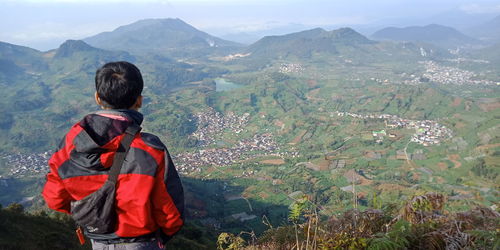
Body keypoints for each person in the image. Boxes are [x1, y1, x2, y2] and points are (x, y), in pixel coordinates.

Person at [42, 61, 184, 250]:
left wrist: (93, 215)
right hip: (143, 242)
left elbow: (55, 198)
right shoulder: (149, 149)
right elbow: (170, 212)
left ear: (98, 98)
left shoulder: (69, 145)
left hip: (98, 241)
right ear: (139, 100)